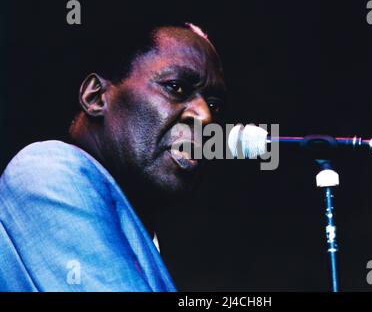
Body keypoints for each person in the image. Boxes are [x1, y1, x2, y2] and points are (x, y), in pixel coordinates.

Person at [0, 23, 226, 291]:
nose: (205, 117)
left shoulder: (139, 237)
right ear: (95, 97)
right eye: (176, 87)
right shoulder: (47, 168)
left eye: (213, 105)